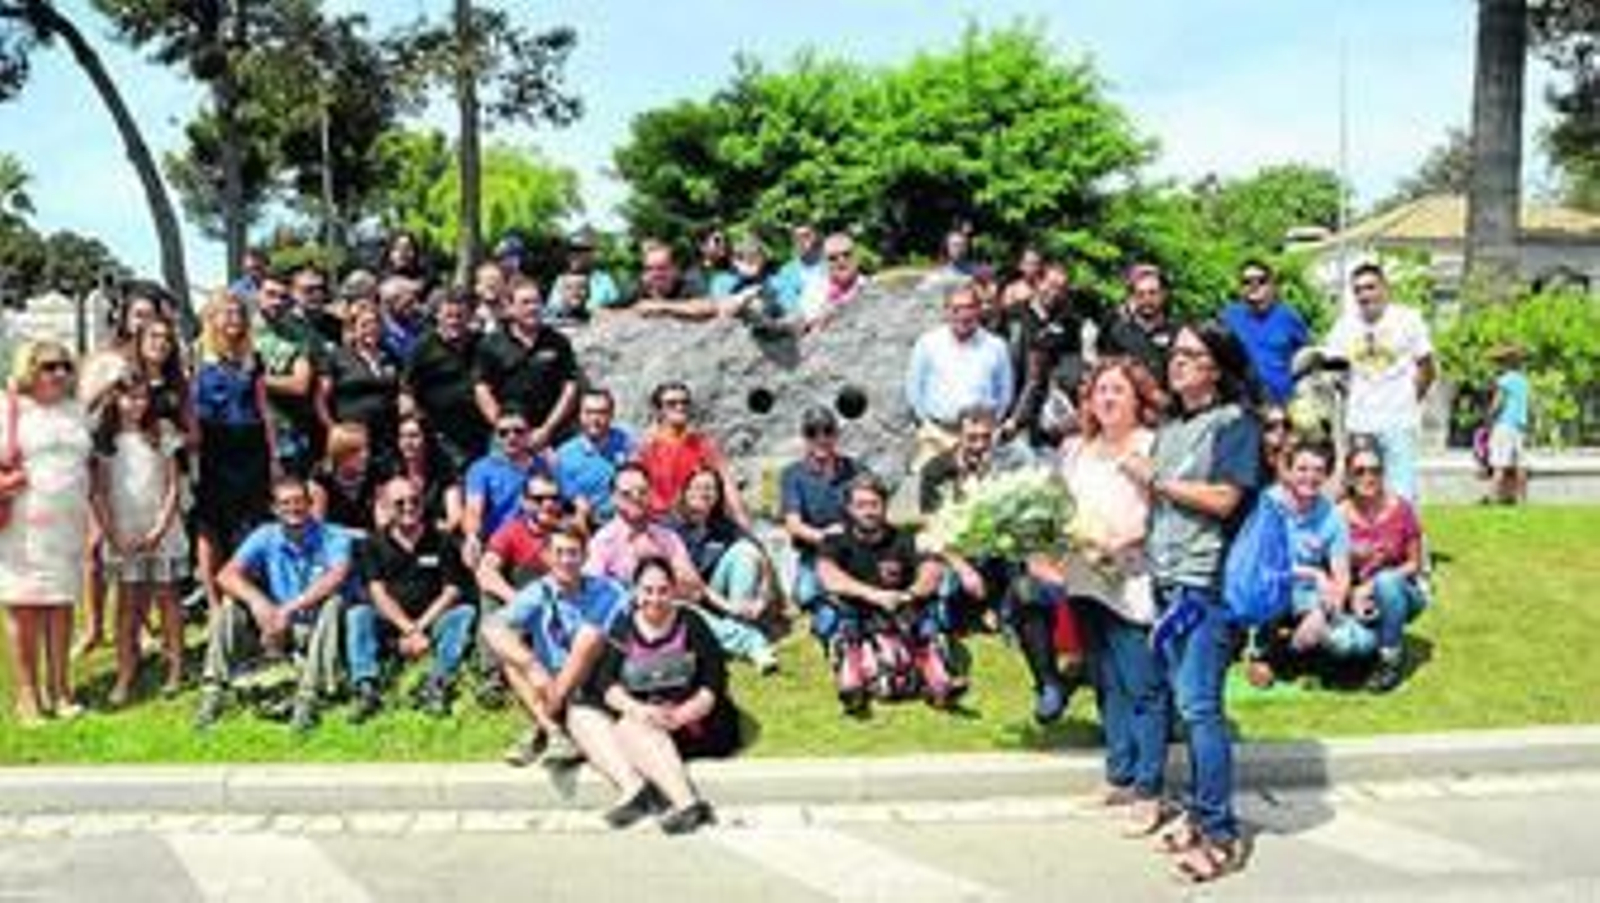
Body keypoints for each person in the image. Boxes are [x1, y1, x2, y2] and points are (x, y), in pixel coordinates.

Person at [1119, 321, 1259, 882]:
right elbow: (1165, 511)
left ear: (1216, 367)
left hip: (1204, 588)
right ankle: (1199, 817)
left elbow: (1225, 499)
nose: (1176, 362)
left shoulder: (1234, 424)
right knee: (1185, 705)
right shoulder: (1175, 425)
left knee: (1201, 711)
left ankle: (1220, 832)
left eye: (1190, 354)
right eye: (1174, 353)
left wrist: (1156, 481)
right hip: (1167, 582)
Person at [1051, 358, 1165, 824]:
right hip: (1084, 578)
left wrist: (1126, 538)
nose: (1108, 398)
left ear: (1138, 397)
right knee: (1108, 683)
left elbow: (1162, 509)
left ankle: (1149, 789)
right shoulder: (1075, 449)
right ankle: (1119, 775)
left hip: (1130, 576)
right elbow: (1058, 508)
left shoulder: (1150, 445)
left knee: (1143, 685)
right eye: (1100, 390)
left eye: (1118, 389)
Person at [196, 475, 351, 732]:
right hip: (274, 627)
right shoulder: (266, 535)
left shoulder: (332, 536)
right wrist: (259, 603)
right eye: (285, 503)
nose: (293, 508)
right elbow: (225, 575)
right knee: (230, 605)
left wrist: (288, 609)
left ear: (311, 504)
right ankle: (213, 691)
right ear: (275, 509)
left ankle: (308, 698)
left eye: (299, 501)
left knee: (334, 602)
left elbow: (336, 576)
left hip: (316, 627)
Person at [592, 556, 734, 834]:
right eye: (647, 590)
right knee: (629, 724)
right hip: (649, 720)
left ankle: (685, 804)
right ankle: (687, 805)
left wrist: (684, 713)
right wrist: (637, 709)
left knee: (630, 729)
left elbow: (715, 680)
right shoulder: (623, 627)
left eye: (662, 590)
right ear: (635, 591)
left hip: (696, 723)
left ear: (673, 590)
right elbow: (605, 683)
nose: (655, 598)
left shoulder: (691, 623)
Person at [588, 464, 774, 670]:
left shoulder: (665, 536)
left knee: (686, 612)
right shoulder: (603, 541)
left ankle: (743, 638)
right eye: (626, 493)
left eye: (642, 491)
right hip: (627, 614)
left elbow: (693, 585)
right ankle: (747, 641)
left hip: (672, 604)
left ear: (650, 494)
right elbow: (594, 592)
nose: (635, 497)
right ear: (614, 498)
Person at [480, 524, 631, 777]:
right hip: (550, 679)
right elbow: (492, 627)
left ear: (585, 556)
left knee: (589, 636)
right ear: (546, 557)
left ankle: (543, 724)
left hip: (596, 677)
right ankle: (555, 731)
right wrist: (532, 666)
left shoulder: (609, 590)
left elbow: (629, 631)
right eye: (559, 552)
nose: (566, 560)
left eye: (573, 553)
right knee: (511, 659)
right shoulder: (539, 591)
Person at [0, 341, 94, 725]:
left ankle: (61, 689)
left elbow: (92, 464)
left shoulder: (76, 410)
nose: (59, 374)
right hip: (23, 522)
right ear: (29, 369)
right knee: (24, 608)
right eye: (49, 367)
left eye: (65, 366)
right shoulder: (11, 408)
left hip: (68, 523)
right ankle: (27, 694)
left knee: (61, 606)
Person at [817, 474, 959, 715]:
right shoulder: (836, 539)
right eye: (861, 505)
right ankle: (852, 686)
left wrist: (909, 594)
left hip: (901, 612)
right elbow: (828, 576)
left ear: (884, 505)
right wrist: (874, 595)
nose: (869, 511)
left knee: (929, 621)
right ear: (850, 509)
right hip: (856, 613)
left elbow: (932, 571)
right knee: (833, 619)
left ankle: (939, 683)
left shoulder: (904, 538)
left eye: (874, 504)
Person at [91, 373, 188, 707]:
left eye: (142, 397)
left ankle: (176, 668)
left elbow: (173, 483)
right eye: (128, 397)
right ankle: (125, 672)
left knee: (167, 599)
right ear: (114, 399)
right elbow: (100, 492)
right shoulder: (106, 438)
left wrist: (161, 526)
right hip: (124, 530)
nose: (136, 404)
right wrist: (112, 534)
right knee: (127, 606)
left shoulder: (161, 431)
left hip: (160, 526)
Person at [346, 477, 476, 721]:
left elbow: (452, 591)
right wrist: (408, 629)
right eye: (399, 502)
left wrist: (420, 628)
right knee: (358, 614)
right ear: (384, 506)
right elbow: (378, 593)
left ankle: (437, 684)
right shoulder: (370, 544)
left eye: (414, 500)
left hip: (431, 622)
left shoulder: (443, 541)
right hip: (389, 626)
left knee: (464, 613)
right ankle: (366, 688)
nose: (408, 507)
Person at [193, 291, 277, 613]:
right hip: (215, 447)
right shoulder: (197, 355)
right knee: (211, 525)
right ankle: (214, 603)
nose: (233, 319)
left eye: (239, 314)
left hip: (251, 448)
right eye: (226, 313)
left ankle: (243, 595)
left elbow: (264, 408)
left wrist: (273, 457)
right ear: (212, 318)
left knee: (252, 521)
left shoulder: (253, 358)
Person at [1323, 263, 1435, 503]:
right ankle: (1363, 539)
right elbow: (1335, 371)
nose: (1365, 295)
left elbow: (1427, 367)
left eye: (1370, 287)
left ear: (1385, 289)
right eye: (1358, 290)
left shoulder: (1407, 319)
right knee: (1361, 491)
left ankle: (1406, 539)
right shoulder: (1344, 326)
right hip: (1360, 421)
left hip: (1398, 420)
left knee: (1401, 492)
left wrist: (1409, 400)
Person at [1256, 440, 1367, 680]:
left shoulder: (1332, 516)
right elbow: (1263, 563)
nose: (1310, 477)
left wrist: (1330, 605)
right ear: (1289, 471)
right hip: (1267, 586)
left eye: (1318, 470)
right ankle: (1269, 651)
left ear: (1327, 475)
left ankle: (1283, 657)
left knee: (1353, 644)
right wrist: (1314, 574)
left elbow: (1342, 574)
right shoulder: (1268, 504)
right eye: (1303, 469)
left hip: (1308, 595)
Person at [917, 404, 1031, 632]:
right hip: (953, 551)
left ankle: (1008, 612)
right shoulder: (936, 470)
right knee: (949, 586)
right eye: (972, 438)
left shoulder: (1004, 467)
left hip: (993, 546)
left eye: (986, 437)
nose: (979, 445)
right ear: (959, 435)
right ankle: (955, 613)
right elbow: (933, 529)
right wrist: (963, 570)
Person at [669, 467, 780, 672]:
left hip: (716, 597)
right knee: (685, 611)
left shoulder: (722, 524)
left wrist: (763, 597)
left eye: (710, 488)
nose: (703, 492)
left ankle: (735, 626)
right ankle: (753, 643)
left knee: (746, 551)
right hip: (685, 597)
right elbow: (693, 584)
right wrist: (730, 607)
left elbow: (760, 555)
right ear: (684, 491)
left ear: (718, 495)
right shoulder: (671, 527)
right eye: (696, 487)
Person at [1338, 442, 1428, 693]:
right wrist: (1353, 595)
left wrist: (1371, 586)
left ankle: (1390, 660)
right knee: (1345, 646)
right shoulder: (1338, 516)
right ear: (1348, 476)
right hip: (1357, 601)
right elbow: (1334, 569)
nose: (1368, 477)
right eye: (1360, 471)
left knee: (1386, 582)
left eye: (1375, 471)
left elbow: (1415, 563)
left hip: (1403, 593)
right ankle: (1374, 648)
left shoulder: (1401, 509)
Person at [905, 284, 1015, 466]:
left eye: (969, 308)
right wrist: (926, 425)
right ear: (946, 311)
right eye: (956, 309)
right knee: (932, 488)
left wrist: (989, 428)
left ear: (979, 310)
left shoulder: (996, 346)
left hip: (980, 439)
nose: (963, 315)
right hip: (937, 436)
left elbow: (1005, 392)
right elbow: (914, 388)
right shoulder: (927, 343)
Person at [472, 276, 580, 453]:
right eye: (525, 302)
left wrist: (547, 428)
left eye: (537, 302)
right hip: (506, 437)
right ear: (511, 307)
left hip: (549, 435)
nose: (533, 308)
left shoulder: (558, 342)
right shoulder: (491, 343)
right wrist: (506, 429)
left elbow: (570, 387)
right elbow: (481, 389)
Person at [779, 406, 862, 620]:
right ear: (805, 437)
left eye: (827, 431)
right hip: (815, 552)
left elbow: (872, 509)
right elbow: (793, 525)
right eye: (812, 432)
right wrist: (827, 537)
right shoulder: (792, 475)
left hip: (853, 547)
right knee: (805, 594)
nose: (821, 438)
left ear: (836, 434)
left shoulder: (855, 469)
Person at [634, 382, 750, 528]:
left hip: (700, 521)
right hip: (660, 524)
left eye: (685, 402)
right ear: (659, 410)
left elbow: (726, 483)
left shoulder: (703, 444)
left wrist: (741, 519)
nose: (680, 407)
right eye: (671, 403)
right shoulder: (645, 449)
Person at [1004, 263, 1089, 447]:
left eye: (1060, 288)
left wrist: (1059, 377)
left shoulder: (1071, 323)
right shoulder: (1013, 314)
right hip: (1010, 405)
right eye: (1050, 285)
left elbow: (1073, 368)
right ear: (1038, 282)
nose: (1054, 292)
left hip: (1047, 411)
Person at [404, 289, 488, 474]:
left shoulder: (481, 343)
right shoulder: (422, 347)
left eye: (460, 316)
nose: (454, 321)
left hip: (480, 430)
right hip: (442, 434)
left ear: (469, 317)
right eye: (448, 315)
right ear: (437, 316)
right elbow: (406, 390)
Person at [317, 298, 401, 469]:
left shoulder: (390, 357)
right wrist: (332, 428)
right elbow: (320, 398)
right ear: (354, 330)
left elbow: (400, 391)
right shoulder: (337, 357)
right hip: (351, 436)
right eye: (365, 325)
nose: (371, 329)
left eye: (376, 324)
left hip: (386, 438)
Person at [255, 270, 325, 477]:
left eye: (283, 296)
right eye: (270, 294)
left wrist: (256, 379)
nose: (276, 301)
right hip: (248, 431)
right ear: (257, 293)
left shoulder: (298, 334)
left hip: (290, 432)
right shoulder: (240, 330)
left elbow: (300, 384)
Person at [462, 410, 550, 568]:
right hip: (498, 543)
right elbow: (473, 509)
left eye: (518, 431)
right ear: (495, 437)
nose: (511, 437)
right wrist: (471, 536)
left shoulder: (542, 466)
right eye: (503, 433)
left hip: (535, 542)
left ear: (529, 434)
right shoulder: (481, 468)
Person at [1221, 260, 1309, 406]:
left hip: (1284, 407)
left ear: (1272, 286)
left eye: (1261, 281)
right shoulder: (1228, 317)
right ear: (1240, 288)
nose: (1254, 286)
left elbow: (1305, 356)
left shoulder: (1288, 316)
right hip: (1243, 408)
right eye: (1246, 282)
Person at [476, 472, 565, 607]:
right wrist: (519, 601)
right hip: (517, 607)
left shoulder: (568, 533)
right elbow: (485, 572)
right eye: (538, 499)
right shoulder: (510, 532)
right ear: (524, 502)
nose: (548, 504)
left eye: (554, 498)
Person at [551, 387, 635, 527]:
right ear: (580, 414)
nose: (595, 419)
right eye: (589, 412)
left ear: (611, 414)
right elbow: (573, 500)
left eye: (601, 412)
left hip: (625, 520)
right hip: (586, 523)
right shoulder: (564, 455)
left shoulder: (627, 444)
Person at [1098, 264, 1177, 388]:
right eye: (1140, 294)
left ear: (1164, 294)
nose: (1147, 299)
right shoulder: (1117, 332)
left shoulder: (1178, 333)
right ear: (1133, 297)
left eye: (1152, 293)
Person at [384, 411, 463, 535]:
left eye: (413, 436)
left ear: (426, 438)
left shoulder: (444, 472)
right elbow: (382, 519)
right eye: (402, 436)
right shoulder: (388, 470)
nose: (407, 442)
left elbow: (455, 518)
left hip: (434, 537)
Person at [308, 422, 382, 538]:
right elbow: (317, 523)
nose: (365, 455)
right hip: (334, 540)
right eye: (356, 451)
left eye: (366, 448)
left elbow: (382, 520)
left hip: (370, 540)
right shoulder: (321, 477)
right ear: (340, 453)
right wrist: (353, 534)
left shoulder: (375, 472)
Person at [792, 232, 869, 331]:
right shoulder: (813, 291)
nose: (841, 261)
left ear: (856, 257)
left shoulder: (869, 287)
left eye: (847, 254)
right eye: (833, 258)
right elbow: (809, 325)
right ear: (825, 263)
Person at [627, 241, 718, 319]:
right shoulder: (639, 287)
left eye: (661, 268)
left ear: (675, 269)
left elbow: (708, 307)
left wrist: (661, 306)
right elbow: (613, 310)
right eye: (649, 269)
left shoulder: (687, 284)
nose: (655, 274)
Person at [1486, 344, 1530, 504]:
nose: (1496, 366)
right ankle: (1522, 499)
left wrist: (1488, 419)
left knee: (1499, 463)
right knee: (1520, 463)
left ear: (1506, 363)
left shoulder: (1504, 380)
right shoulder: (1524, 381)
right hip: (1520, 425)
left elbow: (1498, 404)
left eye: (1499, 362)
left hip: (1504, 425)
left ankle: (1492, 498)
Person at [377, 275, 428, 362]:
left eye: (415, 300)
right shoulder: (379, 333)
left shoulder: (421, 326)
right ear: (390, 304)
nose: (415, 306)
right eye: (408, 303)